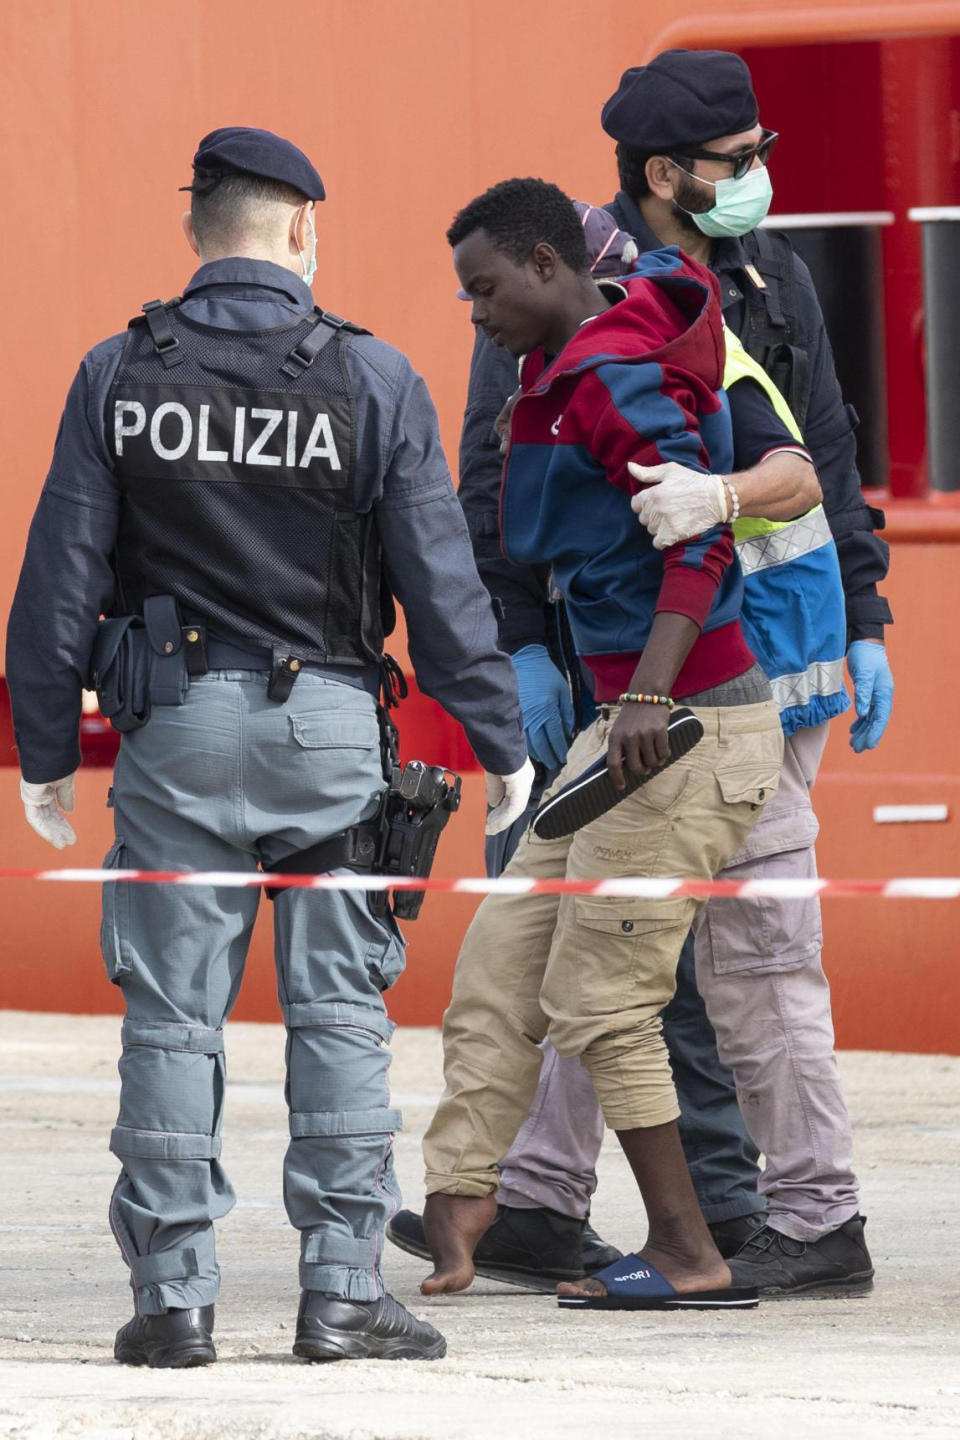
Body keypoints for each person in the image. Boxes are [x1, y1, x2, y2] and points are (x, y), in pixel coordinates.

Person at [6, 126, 532, 1367]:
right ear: (304, 230)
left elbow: (55, 585)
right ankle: (342, 1290)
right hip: (334, 734)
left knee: (171, 1023)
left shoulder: (117, 373)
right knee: (342, 1015)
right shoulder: (375, 376)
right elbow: (443, 591)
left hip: (177, 733)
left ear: (197, 231)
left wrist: (40, 754)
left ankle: (174, 1300)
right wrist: (501, 744)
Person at [392, 48, 891, 1299]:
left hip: (740, 665)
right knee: (573, 946)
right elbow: (497, 479)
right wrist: (517, 647)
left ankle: (801, 1219)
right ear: (668, 173)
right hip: (629, 674)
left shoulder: (757, 286)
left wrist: (866, 612)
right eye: (741, 162)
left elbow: (819, 447)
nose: (762, 179)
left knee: (736, 958)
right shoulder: (569, 281)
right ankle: (539, 1200)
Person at [418, 176, 785, 1312]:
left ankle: (688, 1250)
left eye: (483, 290)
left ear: (544, 265)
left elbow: (702, 543)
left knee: (605, 999)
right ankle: (465, 1201)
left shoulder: (614, 377)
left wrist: (649, 694)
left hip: (684, 727)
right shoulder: (568, 361)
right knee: (499, 959)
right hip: (622, 731)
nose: (473, 314)